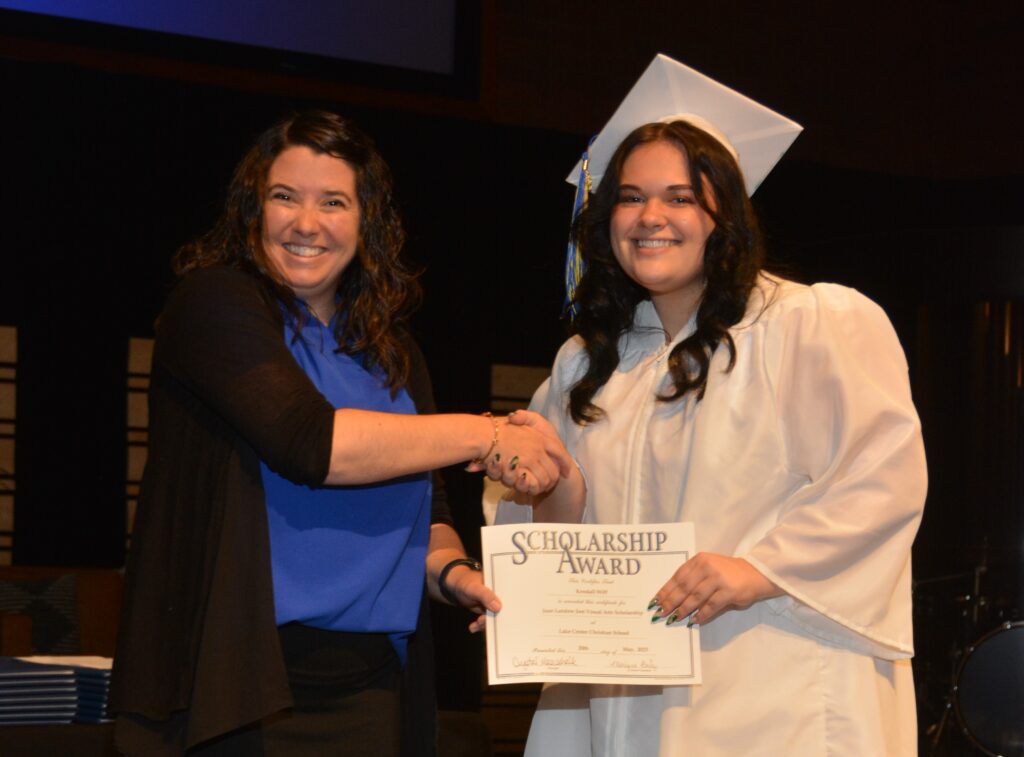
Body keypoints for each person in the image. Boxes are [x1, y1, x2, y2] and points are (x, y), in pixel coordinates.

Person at [495, 56, 926, 756]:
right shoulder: (588, 365)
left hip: (763, 677)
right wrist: (547, 501)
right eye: (631, 197)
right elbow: (550, 536)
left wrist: (754, 569)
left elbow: (881, 477)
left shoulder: (802, 325)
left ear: (723, 214)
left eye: (680, 197)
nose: (651, 217)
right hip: (617, 692)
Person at [108, 110, 571, 756]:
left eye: (333, 202)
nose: (306, 222)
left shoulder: (396, 355)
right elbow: (309, 441)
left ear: (365, 221)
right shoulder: (214, 305)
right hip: (234, 687)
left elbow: (429, 509)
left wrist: (454, 573)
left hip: (368, 689)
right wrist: (485, 432)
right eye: (283, 197)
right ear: (252, 209)